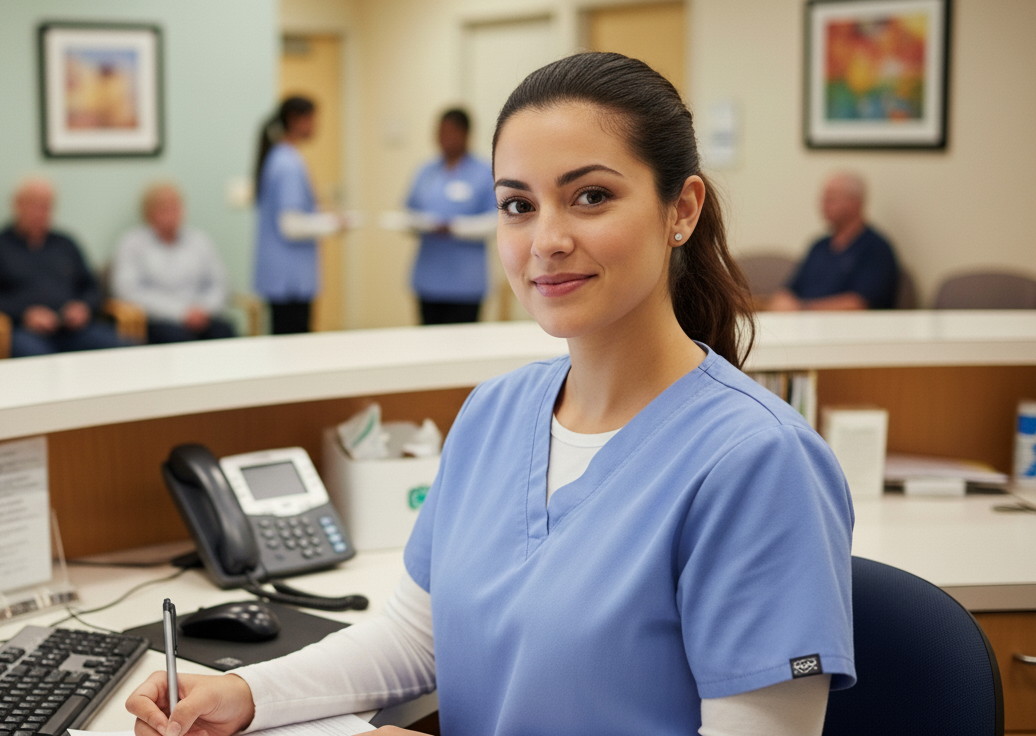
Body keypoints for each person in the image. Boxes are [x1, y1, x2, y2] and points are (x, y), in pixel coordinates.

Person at [127, 53, 854, 736]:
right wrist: (251, 695)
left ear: (682, 210)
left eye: (591, 197)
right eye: (517, 205)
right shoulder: (494, 414)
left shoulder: (758, 463)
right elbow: (417, 639)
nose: (547, 239)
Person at [0, 177, 131, 358]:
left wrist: (83, 307)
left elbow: (92, 288)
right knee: (40, 360)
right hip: (24, 331)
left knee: (126, 349)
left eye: (47, 206)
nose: (41, 212)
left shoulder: (66, 243)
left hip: (74, 330)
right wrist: (24, 313)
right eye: (35, 205)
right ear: (17, 205)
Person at [252, 96, 345, 334]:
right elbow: (291, 226)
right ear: (295, 120)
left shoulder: (279, 158)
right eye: (312, 119)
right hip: (290, 280)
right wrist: (332, 224)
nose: (317, 126)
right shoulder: (288, 164)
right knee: (293, 346)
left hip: (283, 276)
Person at [403, 108, 498, 324]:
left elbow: (497, 221)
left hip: (466, 281)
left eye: (449, 132)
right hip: (428, 277)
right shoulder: (426, 171)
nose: (442, 138)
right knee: (429, 343)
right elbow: (410, 211)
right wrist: (416, 223)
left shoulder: (483, 172)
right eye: (439, 132)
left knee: (465, 345)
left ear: (465, 134)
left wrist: (455, 228)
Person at [111, 182, 236, 343]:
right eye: (164, 209)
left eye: (176, 207)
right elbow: (128, 290)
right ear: (148, 213)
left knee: (225, 332)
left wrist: (204, 309)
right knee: (178, 338)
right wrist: (181, 312)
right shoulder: (132, 244)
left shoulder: (199, 241)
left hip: (202, 315)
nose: (171, 214)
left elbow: (220, 282)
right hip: (160, 319)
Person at [769, 171, 899, 310]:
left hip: (849, 328)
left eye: (831, 199)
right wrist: (780, 302)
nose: (823, 204)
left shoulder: (876, 248)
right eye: (823, 198)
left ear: (855, 203)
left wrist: (802, 309)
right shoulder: (818, 246)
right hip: (804, 326)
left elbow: (858, 304)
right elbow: (788, 291)